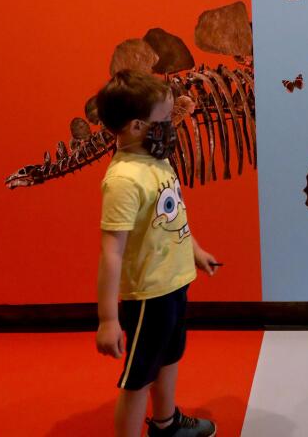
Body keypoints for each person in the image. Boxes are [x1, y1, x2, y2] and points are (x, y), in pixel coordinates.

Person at [95, 70, 221, 436]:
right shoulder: (123, 180)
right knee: (138, 379)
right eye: (164, 119)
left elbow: (172, 214)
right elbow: (111, 253)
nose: (172, 125)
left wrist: (194, 249)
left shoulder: (156, 161)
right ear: (136, 126)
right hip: (148, 294)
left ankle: (165, 424)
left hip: (174, 284)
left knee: (169, 357)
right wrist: (107, 319)